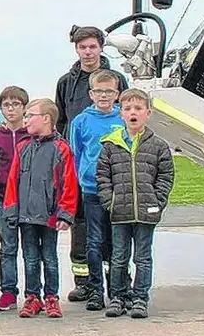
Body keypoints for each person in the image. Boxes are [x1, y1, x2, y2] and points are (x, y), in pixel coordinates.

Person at [53, 25, 128, 303]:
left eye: (92, 47)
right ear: (76, 49)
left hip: (114, 175)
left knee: (113, 231)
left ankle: (116, 283)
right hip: (81, 170)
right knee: (82, 228)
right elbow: (62, 122)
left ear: (101, 48)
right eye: (82, 47)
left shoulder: (117, 78)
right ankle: (84, 282)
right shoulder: (66, 82)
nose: (88, 52)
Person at [98, 88, 175, 319]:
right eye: (128, 108)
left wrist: (157, 201)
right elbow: (103, 176)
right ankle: (118, 297)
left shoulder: (158, 146)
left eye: (138, 108)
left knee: (142, 257)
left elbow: (165, 175)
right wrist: (110, 201)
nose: (133, 113)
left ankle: (140, 297)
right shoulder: (110, 145)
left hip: (146, 212)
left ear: (148, 113)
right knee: (119, 257)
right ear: (121, 113)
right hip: (120, 212)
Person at [3, 98, 78, 319]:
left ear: (46, 119)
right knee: (30, 258)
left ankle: (51, 297)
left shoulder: (61, 148)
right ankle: (32, 297)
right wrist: (11, 210)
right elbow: (13, 182)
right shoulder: (23, 147)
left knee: (50, 257)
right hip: (26, 216)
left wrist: (65, 213)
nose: (25, 119)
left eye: (29, 115)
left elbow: (69, 183)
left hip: (50, 216)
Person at [67, 70, 127, 311]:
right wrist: (81, 180)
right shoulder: (81, 121)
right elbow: (76, 153)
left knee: (118, 241)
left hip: (119, 189)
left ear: (117, 94)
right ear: (91, 94)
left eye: (109, 91)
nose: (104, 96)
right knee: (94, 241)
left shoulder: (122, 119)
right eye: (99, 91)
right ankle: (95, 289)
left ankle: (119, 290)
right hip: (91, 189)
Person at [0, 85, 29, 312]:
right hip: (5, 199)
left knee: (32, 249)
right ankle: (8, 292)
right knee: (8, 247)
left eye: (16, 105)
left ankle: (35, 293)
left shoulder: (31, 135)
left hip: (30, 200)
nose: (11, 109)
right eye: (6, 105)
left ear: (24, 108)